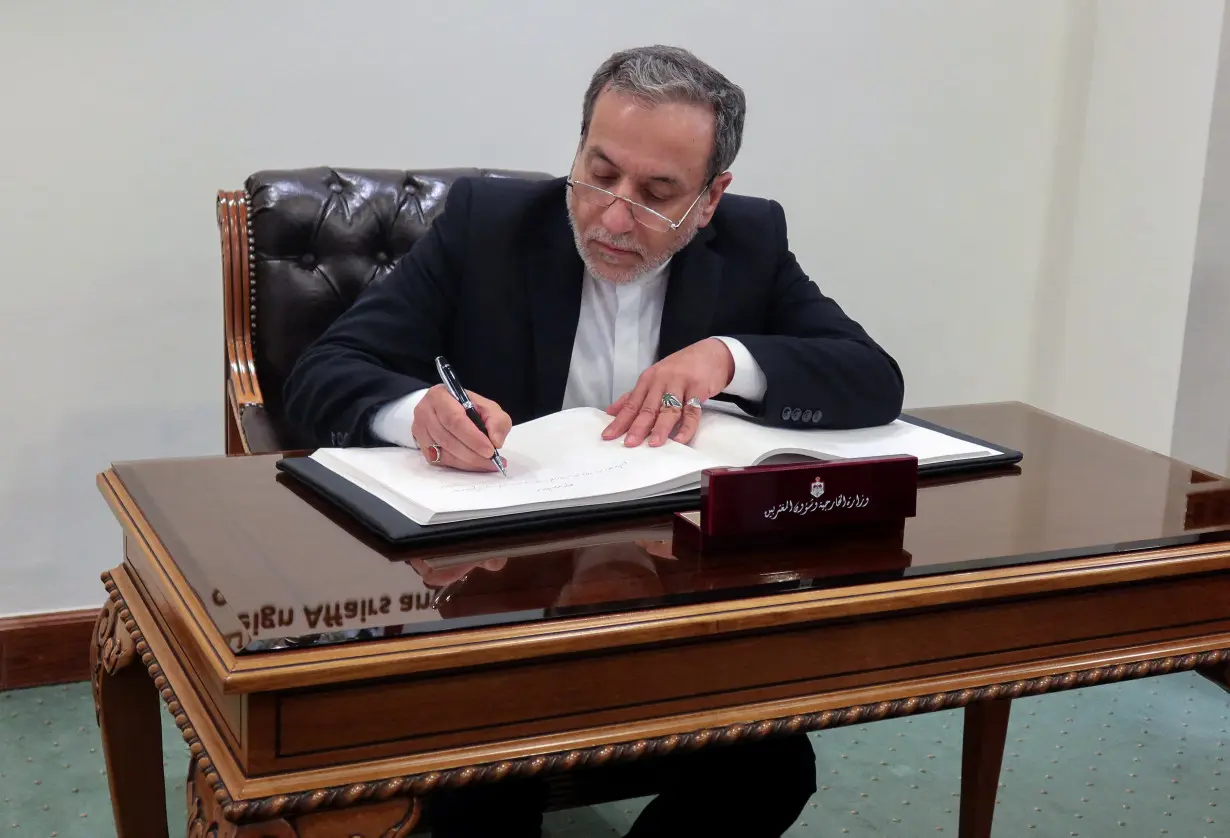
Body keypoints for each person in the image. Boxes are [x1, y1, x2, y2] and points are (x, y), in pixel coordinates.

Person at [284, 44, 904, 838]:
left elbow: (872, 376)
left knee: (772, 767)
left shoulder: (751, 243)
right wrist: (419, 416)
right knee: (483, 782)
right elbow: (323, 370)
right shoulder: (486, 227)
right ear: (577, 148)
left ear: (711, 199)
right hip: (499, 599)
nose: (614, 216)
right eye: (599, 173)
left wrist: (731, 358)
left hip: (672, 603)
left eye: (657, 194)